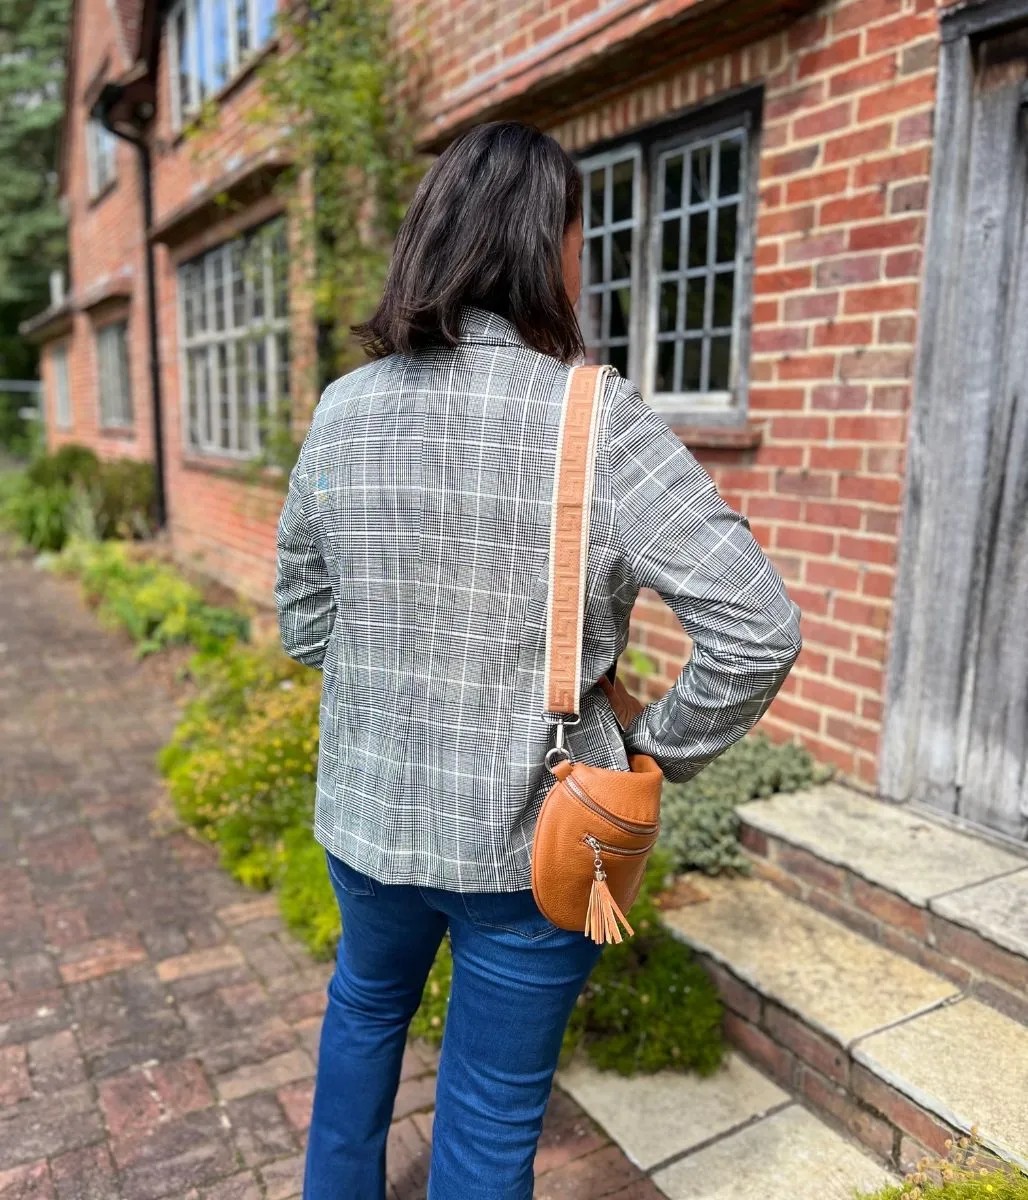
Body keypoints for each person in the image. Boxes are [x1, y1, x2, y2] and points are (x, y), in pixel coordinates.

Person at [275, 120, 802, 1200]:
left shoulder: (341, 409)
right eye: (577, 230)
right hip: (539, 831)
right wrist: (647, 750)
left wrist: (392, 677)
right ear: (546, 244)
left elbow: (302, 616)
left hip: (370, 815)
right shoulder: (590, 416)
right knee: (489, 1112)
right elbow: (756, 627)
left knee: (362, 1015)